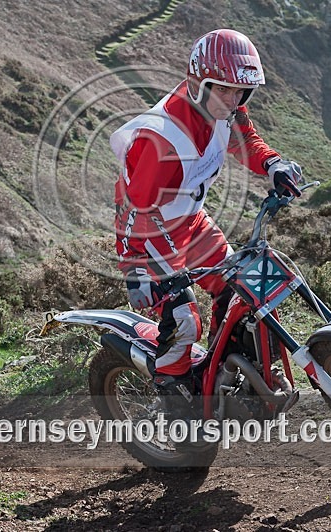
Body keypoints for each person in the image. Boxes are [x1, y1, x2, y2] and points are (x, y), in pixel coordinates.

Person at [109, 29, 303, 415]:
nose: (233, 101)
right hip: (149, 236)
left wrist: (271, 163)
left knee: (246, 291)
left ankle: (221, 379)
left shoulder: (223, 107)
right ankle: (174, 399)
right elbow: (136, 210)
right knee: (183, 320)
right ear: (199, 82)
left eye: (240, 92)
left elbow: (243, 136)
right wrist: (141, 271)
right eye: (225, 90)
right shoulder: (159, 137)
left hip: (190, 222)